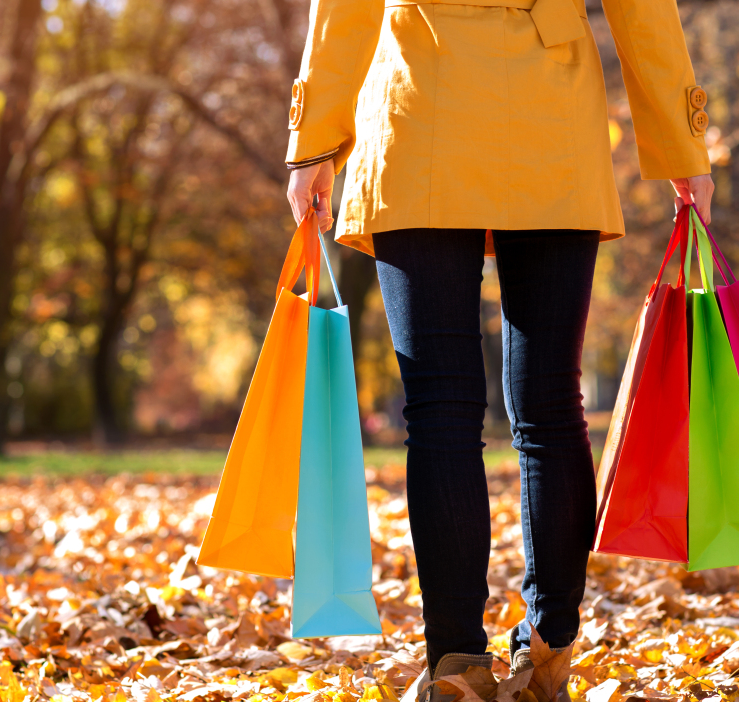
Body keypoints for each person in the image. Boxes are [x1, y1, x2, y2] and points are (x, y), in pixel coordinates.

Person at [283, 0, 714, 689]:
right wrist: (682, 148)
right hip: (551, 115)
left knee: (442, 410)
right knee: (549, 401)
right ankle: (550, 646)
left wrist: (313, 142)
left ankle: (456, 666)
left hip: (421, 109)